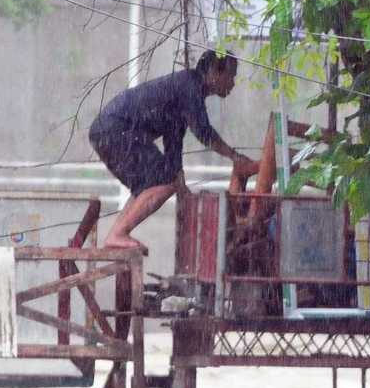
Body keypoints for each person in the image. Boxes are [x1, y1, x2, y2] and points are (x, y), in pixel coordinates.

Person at [89, 50, 258, 252]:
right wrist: (235, 157)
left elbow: (173, 145)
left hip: (108, 130)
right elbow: (203, 132)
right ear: (213, 71)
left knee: (150, 186)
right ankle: (118, 233)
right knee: (163, 183)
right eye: (231, 75)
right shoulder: (189, 86)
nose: (232, 83)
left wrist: (182, 188)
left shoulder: (183, 91)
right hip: (116, 130)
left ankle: (115, 235)